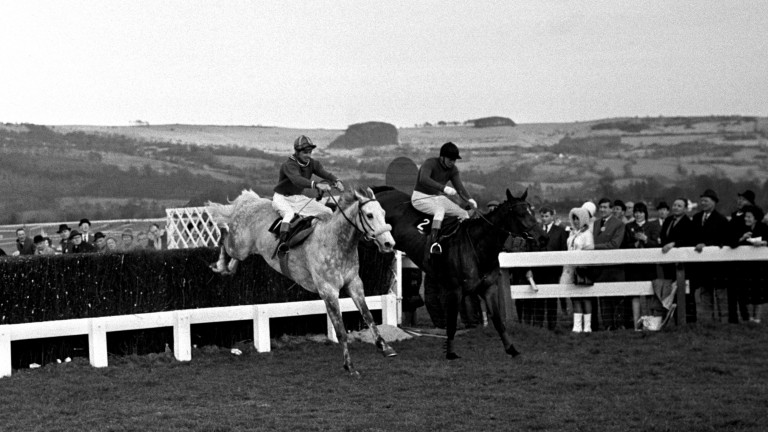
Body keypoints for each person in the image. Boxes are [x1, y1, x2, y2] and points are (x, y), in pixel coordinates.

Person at [272, 135, 344, 254]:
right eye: (305, 152)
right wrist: (316, 185)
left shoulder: (312, 163)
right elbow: (297, 180)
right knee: (289, 214)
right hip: (281, 198)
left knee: (328, 212)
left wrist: (336, 180)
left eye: (310, 152)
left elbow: (324, 173)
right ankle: (282, 244)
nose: (308, 155)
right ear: (297, 152)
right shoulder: (289, 165)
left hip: (298, 198)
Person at [412, 142, 477, 255]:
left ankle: (466, 243)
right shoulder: (430, 163)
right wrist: (443, 188)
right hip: (420, 197)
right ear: (442, 157)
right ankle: (433, 242)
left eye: (454, 160)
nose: (452, 162)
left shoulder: (453, 169)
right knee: (440, 210)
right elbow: (423, 179)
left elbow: (459, 187)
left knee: (463, 213)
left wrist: (469, 199)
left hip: (436, 198)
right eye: (450, 159)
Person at [585, 198, 626, 330]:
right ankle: (607, 325)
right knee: (603, 298)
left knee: (616, 297)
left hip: (613, 268)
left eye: (605, 207)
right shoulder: (596, 223)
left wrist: (594, 247)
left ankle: (618, 325)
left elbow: (614, 244)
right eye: (601, 207)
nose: (602, 210)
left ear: (611, 209)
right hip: (599, 267)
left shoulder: (619, 224)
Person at [690, 189, 730, 322]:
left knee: (720, 294)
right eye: (702, 201)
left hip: (717, 266)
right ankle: (708, 322)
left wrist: (706, 244)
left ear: (714, 202)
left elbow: (723, 239)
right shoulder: (696, 218)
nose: (703, 203)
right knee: (705, 293)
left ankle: (724, 322)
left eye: (706, 201)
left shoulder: (721, 220)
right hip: (701, 266)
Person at [624, 202, 662, 329]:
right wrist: (633, 245)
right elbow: (624, 245)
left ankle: (650, 324)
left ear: (645, 213)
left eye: (640, 212)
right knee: (635, 294)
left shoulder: (652, 226)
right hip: (634, 267)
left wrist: (646, 239)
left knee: (650, 294)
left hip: (648, 266)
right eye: (635, 212)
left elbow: (657, 245)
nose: (637, 214)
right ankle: (636, 325)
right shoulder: (628, 227)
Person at [660, 197, 696, 322]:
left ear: (685, 209)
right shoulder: (668, 220)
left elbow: (689, 240)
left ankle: (690, 320)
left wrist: (674, 243)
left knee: (686, 293)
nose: (676, 207)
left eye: (679, 206)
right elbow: (663, 237)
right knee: (672, 293)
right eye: (674, 205)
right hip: (669, 264)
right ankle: (676, 320)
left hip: (683, 265)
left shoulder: (689, 223)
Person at [533, 206, 568, 330]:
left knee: (552, 299)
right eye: (542, 216)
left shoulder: (560, 231)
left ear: (552, 216)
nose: (544, 219)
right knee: (539, 298)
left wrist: (559, 267)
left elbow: (563, 249)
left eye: (546, 216)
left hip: (553, 270)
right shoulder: (536, 230)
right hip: (539, 270)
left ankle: (552, 326)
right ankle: (538, 326)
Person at [731, 205, 768, 323]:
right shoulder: (740, 228)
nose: (746, 219)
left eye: (749, 217)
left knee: (759, 292)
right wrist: (742, 238)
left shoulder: (763, 227)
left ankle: (756, 318)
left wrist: (763, 242)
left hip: (760, 267)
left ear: (756, 218)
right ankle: (747, 318)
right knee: (744, 292)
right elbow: (732, 243)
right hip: (744, 267)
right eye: (745, 216)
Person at [560, 207, 594, 332]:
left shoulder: (587, 234)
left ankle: (587, 326)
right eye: (573, 218)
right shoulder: (572, 233)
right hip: (570, 268)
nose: (575, 221)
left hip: (583, 268)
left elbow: (589, 251)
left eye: (577, 219)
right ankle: (577, 326)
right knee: (575, 297)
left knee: (585, 297)